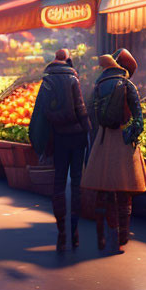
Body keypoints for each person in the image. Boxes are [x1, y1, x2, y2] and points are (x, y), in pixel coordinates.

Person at [80, 48, 146, 255]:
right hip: (121, 141)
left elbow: (90, 112)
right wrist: (131, 136)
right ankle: (121, 238)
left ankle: (105, 235)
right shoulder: (128, 85)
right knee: (124, 192)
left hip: (102, 140)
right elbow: (138, 119)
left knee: (104, 189)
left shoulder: (99, 85)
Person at [29, 48, 90, 252]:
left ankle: (61, 234)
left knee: (58, 184)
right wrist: (88, 129)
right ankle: (74, 233)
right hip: (77, 137)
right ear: (68, 60)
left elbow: (41, 111)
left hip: (59, 138)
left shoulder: (47, 81)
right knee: (76, 184)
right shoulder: (73, 79)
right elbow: (80, 108)